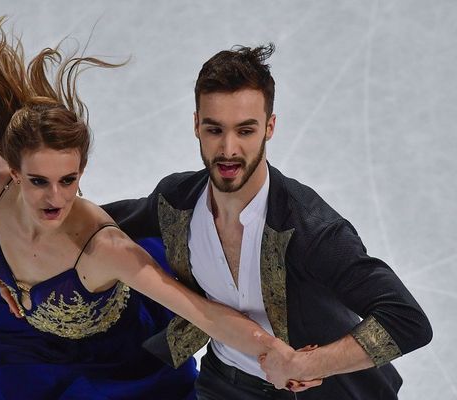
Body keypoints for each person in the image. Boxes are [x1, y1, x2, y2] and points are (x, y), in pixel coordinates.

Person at [0, 4, 321, 399]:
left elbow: (202, 313)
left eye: (68, 180)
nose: (55, 197)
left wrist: (278, 355)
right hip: (28, 344)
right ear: (13, 172)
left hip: (112, 364)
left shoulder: (104, 247)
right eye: (38, 181)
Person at [103, 44, 433, 399]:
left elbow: (407, 321)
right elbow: (102, 222)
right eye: (215, 130)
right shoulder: (177, 201)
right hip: (224, 384)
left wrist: (308, 364)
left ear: (269, 127)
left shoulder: (308, 227)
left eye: (245, 131)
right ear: (197, 124)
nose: (229, 149)